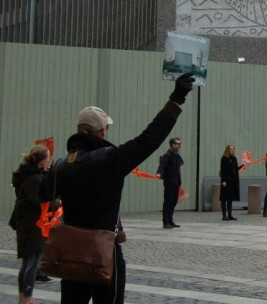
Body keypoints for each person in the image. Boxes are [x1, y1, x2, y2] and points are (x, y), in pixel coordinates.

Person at [40, 72, 194, 304]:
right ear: (101, 131)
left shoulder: (61, 165)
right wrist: (176, 98)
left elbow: (41, 194)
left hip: (71, 252)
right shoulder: (109, 160)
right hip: (103, 252)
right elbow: (149, 139)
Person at [11, 145, 51, 304]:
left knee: (28, 262)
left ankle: (23, 298)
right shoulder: (34, 179)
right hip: (33, 224)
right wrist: (56, 202)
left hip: (26, 224)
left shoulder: (27, 175)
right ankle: (26, 299)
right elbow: (40, 201)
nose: (49, 160)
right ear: (41, 160)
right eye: (47, 157)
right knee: (32, 264)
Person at [157, 137, 184, 228]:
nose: (180, 145)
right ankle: (165, 222)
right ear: (173, 144)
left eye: (180, 143)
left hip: (176, 182)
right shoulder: (167, 155)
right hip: (169, 182)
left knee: (173, 202)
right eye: (178, 143)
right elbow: (162, 165)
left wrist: (179, 182)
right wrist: (159, 173)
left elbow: (178, 170)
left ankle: (170, 220)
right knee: (168, 202)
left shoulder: (176, 155)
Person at [220, 144, 244, 221]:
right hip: (226, 180)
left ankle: (230, 214)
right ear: (227, 150)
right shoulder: (224, 158)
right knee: (224, 198)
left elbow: (236, 169)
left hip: (233, 180)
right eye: (231, 149)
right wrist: (223, 180)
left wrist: (243, 166)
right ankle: (224, 215)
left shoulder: (234, 158)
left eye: (233, 149)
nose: (233, 150)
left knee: (230, 198)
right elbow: (223, 170)